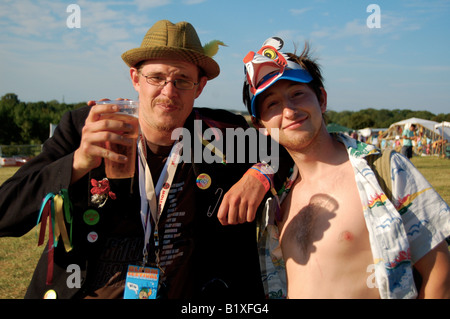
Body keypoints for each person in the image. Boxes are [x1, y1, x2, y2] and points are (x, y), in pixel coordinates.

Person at [0, 20, 278, 299]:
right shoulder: (85, 128)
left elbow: (289, 149)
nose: (168, 92)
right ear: (135, 78)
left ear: (200, 87)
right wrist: (77, 162)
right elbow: (5, 214)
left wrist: (261, 173)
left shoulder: (222, 134)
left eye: (182, 80)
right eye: (156, 77)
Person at [241, 36, 450, 298]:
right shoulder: (277, 201)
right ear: (261, 127)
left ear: (322, 100)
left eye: (297, 94)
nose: (289, 111)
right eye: (272, 104)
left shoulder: (385, 171)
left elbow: (440, 275)